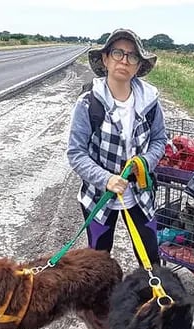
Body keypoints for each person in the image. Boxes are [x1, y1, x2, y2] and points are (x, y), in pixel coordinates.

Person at [67, 28, 167, 266]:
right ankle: (101, 302)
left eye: (132, 56)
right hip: (98, 195)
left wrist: (145, 162)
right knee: (98, 261)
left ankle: (153, 300)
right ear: (105, 58)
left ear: (138, 66)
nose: (124, 60)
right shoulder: (88, 103)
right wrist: (106, 179)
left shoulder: (151, 102)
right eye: (118, 53)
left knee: (150, 258)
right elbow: (76, 152)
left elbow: (160, 140)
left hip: (140, 193)